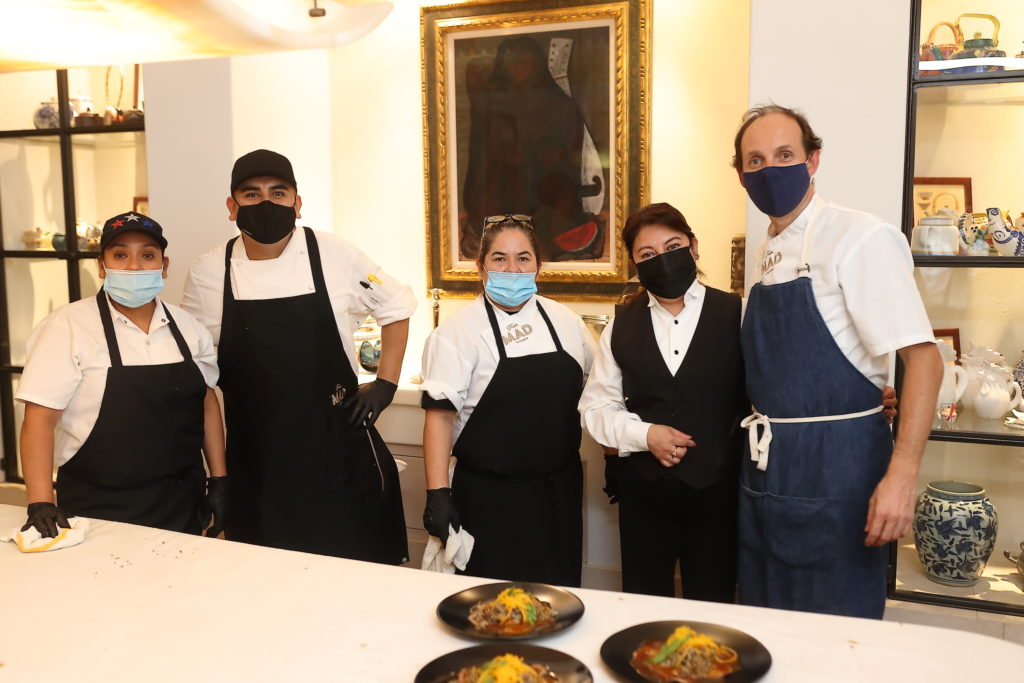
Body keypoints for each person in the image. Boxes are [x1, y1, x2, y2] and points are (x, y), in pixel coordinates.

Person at [733, 105, 942, 618]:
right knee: (766, 618)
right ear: (740, 175)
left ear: (813, 160)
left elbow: (925, 360)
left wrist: (902, 476)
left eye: (785, 155)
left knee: (833, 630)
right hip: (768, 465)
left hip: (838, 468)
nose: (770, 170)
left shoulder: (859, 237)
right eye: (755, 161)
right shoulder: (765, 253)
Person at [182, 149, 415, 562]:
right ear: (231, 206)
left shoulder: (335, 254)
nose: (266, 203)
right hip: (259, 466)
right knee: (270, 587)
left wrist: (385, 384)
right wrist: (215, 476)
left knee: (355, 582)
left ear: (297, 202)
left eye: (279, 192)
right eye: (251, 195)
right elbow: (196, 377)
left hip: (339, 458)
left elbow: (396, 307)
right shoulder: (207, 272)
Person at [18, 212, 227, 538]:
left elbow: (206, 403)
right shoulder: (67, 327)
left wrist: (219, 479)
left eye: (147, 255)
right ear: (102, 266)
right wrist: (41, 501)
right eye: (120, 255)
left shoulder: (188, 327)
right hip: (96, 507)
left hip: (181, 502)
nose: (134, 266)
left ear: (164, 265)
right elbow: (39, 419)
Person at [579, 202, 747, 601]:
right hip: (644, 496)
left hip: (717, 493)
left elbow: (775, 390)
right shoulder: (620, 322)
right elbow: (596, 407)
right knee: (642, 603)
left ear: (693, 246)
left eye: (672, 246)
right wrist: (645, 434)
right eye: (648, 254)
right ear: (635, 265)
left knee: (714, 605)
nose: (663, 260)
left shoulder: (736, 313)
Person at [419, 214, 594, 586]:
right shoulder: (455, 333)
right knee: (490, 604)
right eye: (499, 259)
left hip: (558, 493)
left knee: (558, 597)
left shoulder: (567, 322)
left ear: (538, 266)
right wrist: (437, 495)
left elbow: (594, 394)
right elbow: (439, 417)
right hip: (488, 499)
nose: (512, 269)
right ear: (480, 268)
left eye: (523, 258)